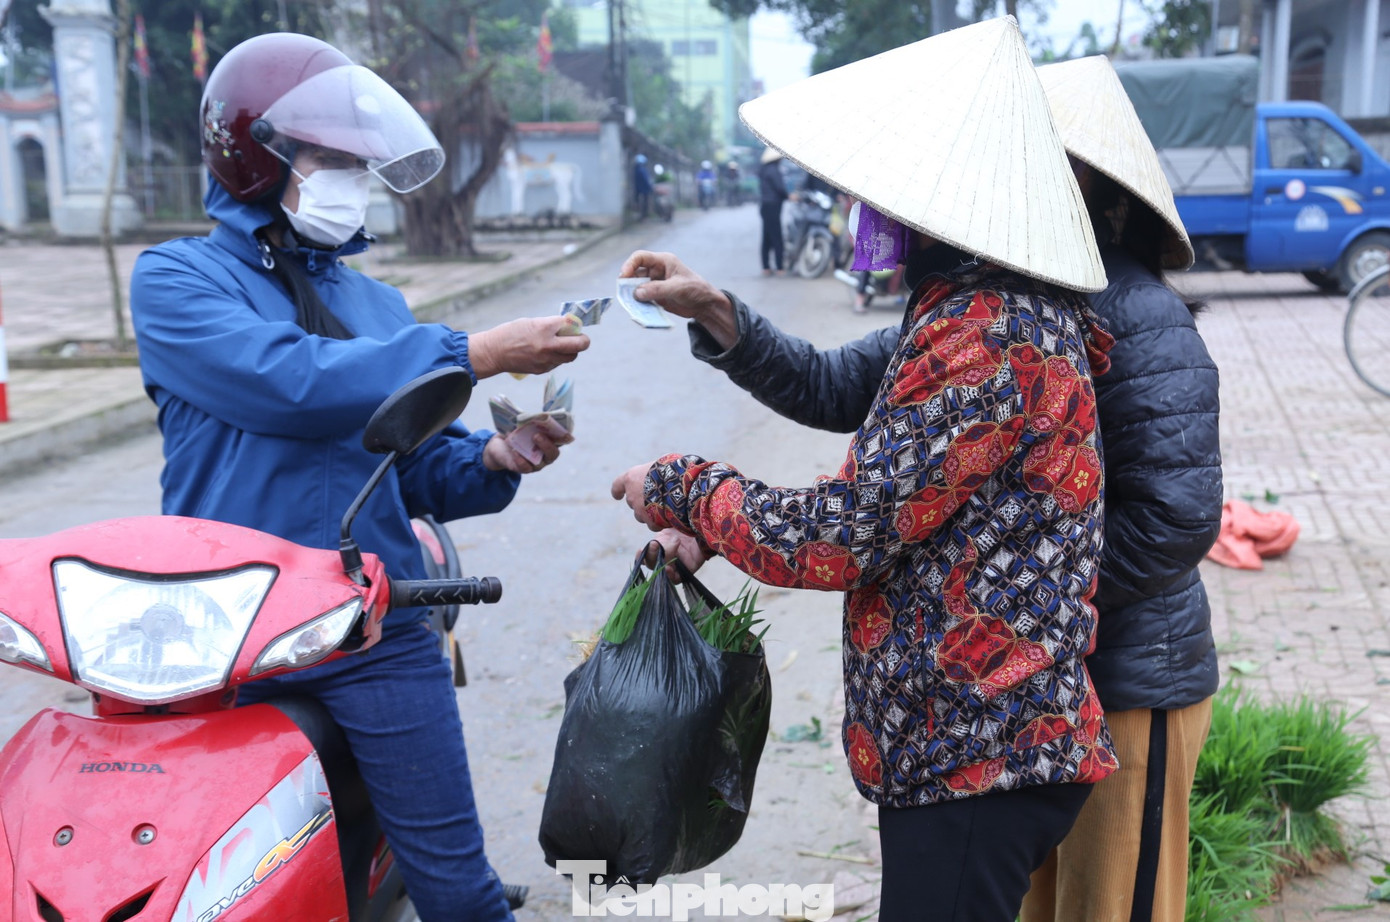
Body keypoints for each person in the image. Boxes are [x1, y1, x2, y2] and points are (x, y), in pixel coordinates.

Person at [635, 53, 1222, 922]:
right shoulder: (980, 307)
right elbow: (843, 392)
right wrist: (721, 315)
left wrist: (1023, 599)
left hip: (1090, 687)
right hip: (1009, 710)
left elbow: (1175, 518)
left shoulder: (1022, 327)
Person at [129, 33, 589, 922]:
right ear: (255, 154)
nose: (351, 178)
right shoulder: (178, 281)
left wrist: (496, 457)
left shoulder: (375, 306)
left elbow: (411, 463)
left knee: (458, 892)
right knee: (191, 874)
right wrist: (476, 351)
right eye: (329, 159)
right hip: (220, 631)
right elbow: (289, 381)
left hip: (365, 629)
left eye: (357, 162)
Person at [756, 147, 788, 275]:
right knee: (776, 237)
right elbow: (780, 189)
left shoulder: (764, 170)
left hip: (765, 206)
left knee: (767, 237)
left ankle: (766, 267)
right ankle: (780, 267)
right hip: (773, 206)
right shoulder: (774, 170)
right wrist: (789, 196)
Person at [633, 153, 653, 220]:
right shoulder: (642, 170)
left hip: (638, 189)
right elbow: (646, 179)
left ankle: (642, 216)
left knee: (638, 202)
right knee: (645, 203)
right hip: (644, 189)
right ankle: (644, 216)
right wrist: (650, 186)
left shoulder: (636, 169)